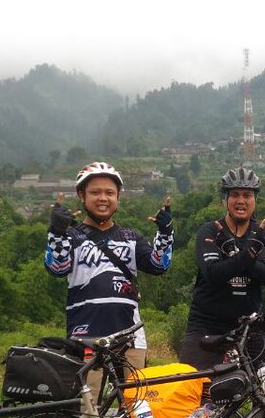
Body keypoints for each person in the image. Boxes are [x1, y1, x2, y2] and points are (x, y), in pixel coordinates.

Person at [45, 161, 174, 386]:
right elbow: (57, 267)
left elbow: (159, 265)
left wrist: (165, 232)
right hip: (84, 337)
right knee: (88, 410)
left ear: (118, 197)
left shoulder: (131, 237)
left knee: (136, 408)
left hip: (130, 336)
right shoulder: (72, 237)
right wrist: (56, 231)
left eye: (109, 193)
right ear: (81, 196)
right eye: (95, 192)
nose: (103, 198)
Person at [179, 165, 265, 378]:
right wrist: (249, 254)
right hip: (207, 325)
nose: (241, 200)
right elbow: (214, 274)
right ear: (226, 200)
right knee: (190, 390)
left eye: (247, 195)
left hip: (250, 325)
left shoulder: (264, 233)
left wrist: (237, 255)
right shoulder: (210, 232)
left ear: (254, 200)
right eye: (235, 195)